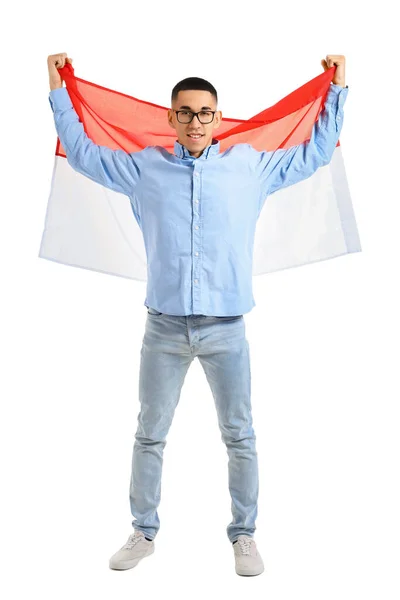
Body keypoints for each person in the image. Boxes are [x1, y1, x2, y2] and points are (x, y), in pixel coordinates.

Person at [47, 52, 349, 577]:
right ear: (171, 117)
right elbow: (80, 152)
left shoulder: (250, 167)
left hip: (227, 329)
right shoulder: (144, 168)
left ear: (218, 117)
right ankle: (142, 532)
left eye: (205, 112)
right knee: (150, 433)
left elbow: (317, 151)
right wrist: (56, 86)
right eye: (185, 112)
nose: (195, 122)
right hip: (162, 328)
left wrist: (338, 86)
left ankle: (245, 535)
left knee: (240, 434)